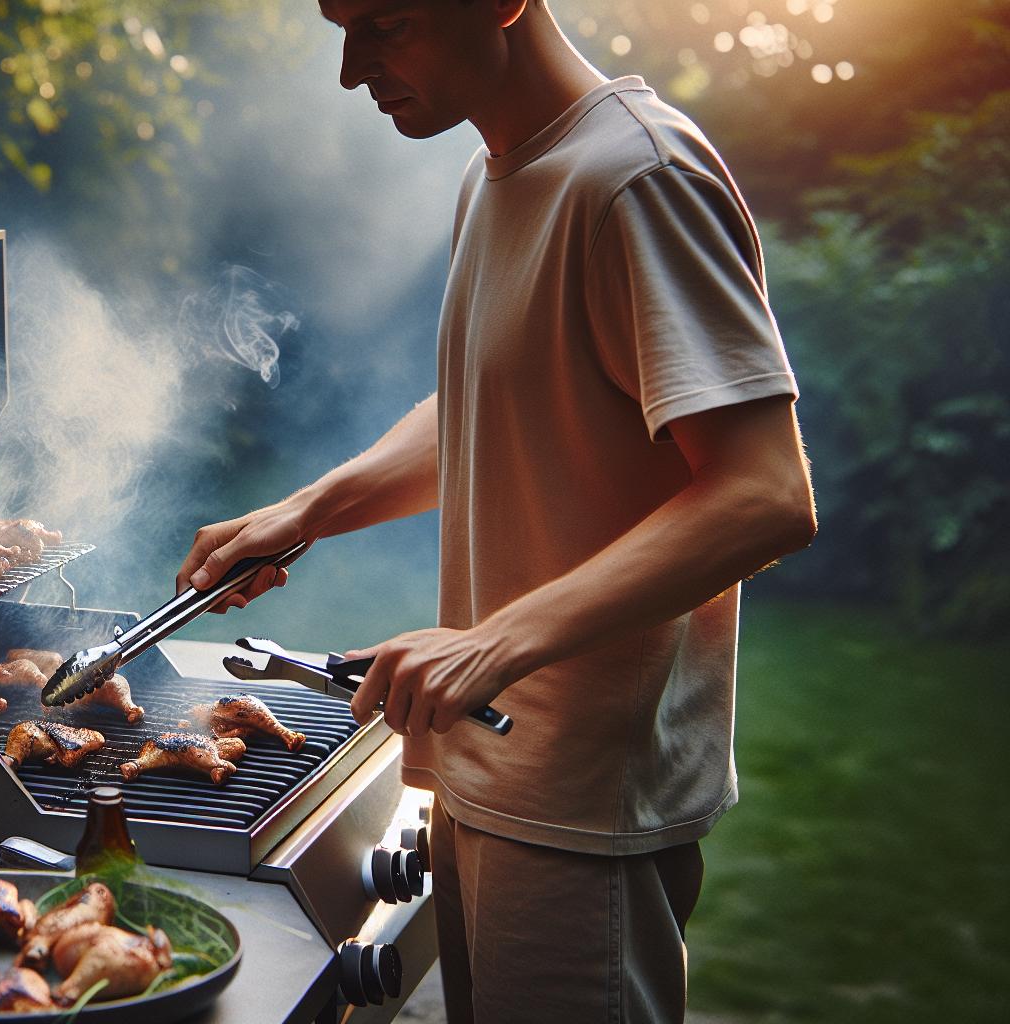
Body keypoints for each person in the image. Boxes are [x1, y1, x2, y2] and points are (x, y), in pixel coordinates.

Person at [176, 2, 817, 1021]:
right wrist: (306, 509)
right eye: (341, 26)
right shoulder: (501, 169)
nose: (351, 68)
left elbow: (763, 494)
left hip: (577, 793)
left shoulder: (636, 178)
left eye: (383, 23)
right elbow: (500, 395)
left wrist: (491, 644)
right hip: (492, 765)